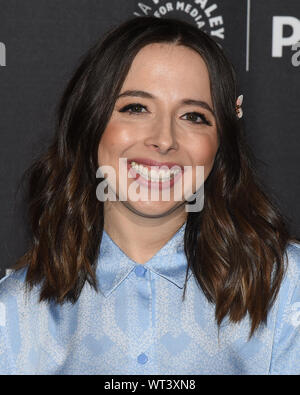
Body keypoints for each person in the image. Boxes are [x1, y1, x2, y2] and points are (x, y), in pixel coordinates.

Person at [0, 16, 299, 375]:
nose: (164, 139)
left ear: (220, 145)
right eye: (136, 108)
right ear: (89, 123)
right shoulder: (15, 312)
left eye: (193, 116)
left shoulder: (286, 287)